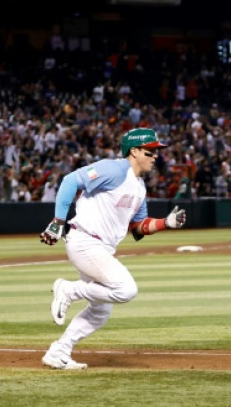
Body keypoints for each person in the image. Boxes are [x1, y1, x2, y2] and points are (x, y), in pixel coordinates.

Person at [39, 127, 187, 370]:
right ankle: (68, 290)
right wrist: (57, 222)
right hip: (85, 240)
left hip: (100, 249)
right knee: (126, 289)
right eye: (150, 151)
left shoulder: (139, 187)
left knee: (100, 312)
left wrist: (165, 223)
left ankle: (59, 351)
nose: (155, 156)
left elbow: (138, 228)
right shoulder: (114, 169)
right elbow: (69, 181)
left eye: (156, 152)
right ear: (135, 151)